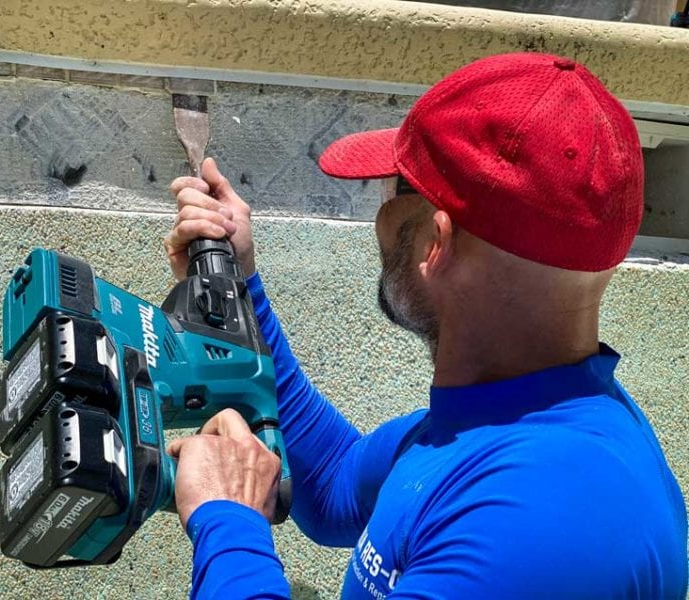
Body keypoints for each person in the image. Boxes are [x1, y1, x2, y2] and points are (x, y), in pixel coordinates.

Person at [163, 52, 688, 599]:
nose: (379, 215)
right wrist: (236, 284)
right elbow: (334, 486)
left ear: (436, 243)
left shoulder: (540, 522)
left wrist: (228, 523)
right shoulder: (507, 415)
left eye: (393, 187)